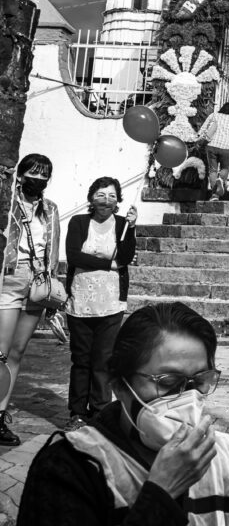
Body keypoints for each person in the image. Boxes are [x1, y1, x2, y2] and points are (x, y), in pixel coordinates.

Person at [15, 301, 229, 526]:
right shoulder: (70, 467)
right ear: (119, 385)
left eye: (200, 381)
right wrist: (161, 496)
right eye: (168, 382)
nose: (187, 397)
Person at [65, 177, 138, 430]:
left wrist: (133, 228)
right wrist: (108, 264)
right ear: (91, 198)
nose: (106, 200)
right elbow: (74, 255)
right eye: (100, 195)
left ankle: (99, 413)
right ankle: (76, 413)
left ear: (118, 201)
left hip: (111, 303)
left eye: (111, 196)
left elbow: (126, 257)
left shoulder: (121, 224)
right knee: (81, 359)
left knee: (103, 360)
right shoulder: (79, 222)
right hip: (80, 301)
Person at [0, 153, 59, 447]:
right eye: (34, 172)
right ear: (21, 175)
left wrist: (50, 285)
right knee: (0, 350)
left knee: (18, 351)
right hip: (9, 277)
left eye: (44, 173)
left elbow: (53, 246)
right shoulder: (7, 204)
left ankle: (0, 414)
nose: (40, 178)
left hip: (36, 281)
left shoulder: (50, 209)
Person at [198, 101, 229, 197]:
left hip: (212, 145)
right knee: (225, 168)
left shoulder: (213, 115)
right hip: (226, 147)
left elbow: (202, 130)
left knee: (212, 170)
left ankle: (214, 194)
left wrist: (199, 140)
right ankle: (221, 182)